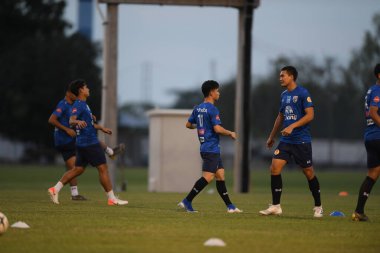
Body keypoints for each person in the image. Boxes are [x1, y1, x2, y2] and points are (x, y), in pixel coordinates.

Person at [48, 79, 128, 206]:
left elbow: (88, 124)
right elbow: (71, 120)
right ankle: (112, 198)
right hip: (89, 143)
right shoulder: (79, 105)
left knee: (77, 169)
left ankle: (55, 189)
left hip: (82, 143)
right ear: (81, 90)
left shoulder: (84, 104)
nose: (88, 89)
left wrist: (101, 128)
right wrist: (76, 122)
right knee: (103, 169)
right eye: (86, 87)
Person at [259, 66, 323, 218]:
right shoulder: (283, 95)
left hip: (301, 140)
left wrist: (293, 126)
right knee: (274, 167)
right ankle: (276, 206)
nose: (280, 78)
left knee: (308, 172)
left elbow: (310, 115)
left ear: (292, 77)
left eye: (283, 76)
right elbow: (280, 117)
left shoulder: (303, 93)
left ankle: (318, 206)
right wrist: (271, 136)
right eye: (279, 76)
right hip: (286, 140)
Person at [178, 80, 242, 213]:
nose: (218, 93)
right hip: (210, 148)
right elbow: (217, 129)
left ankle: (230, 206)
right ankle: (186, 201)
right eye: (217, 90)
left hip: (207, 147)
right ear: (211, 92)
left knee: (220, 175)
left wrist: (201, 127)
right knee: (208, 177)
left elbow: (188, 125)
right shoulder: (212, 109)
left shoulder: (198, 108)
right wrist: (230, 133)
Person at [352, 63, 380, 221]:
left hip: (370, 136)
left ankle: (359, 211)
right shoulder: (377, 91)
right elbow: (374, 113)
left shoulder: (371, 90)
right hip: (378, 135)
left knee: (373, 174)